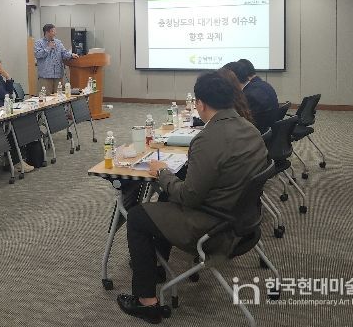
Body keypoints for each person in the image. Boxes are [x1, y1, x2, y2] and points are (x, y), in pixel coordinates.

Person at [117, 72, 269, 323]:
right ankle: (157, 267)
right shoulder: (250, 129)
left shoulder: (207, 139)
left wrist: (162, 173)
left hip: (213, 226)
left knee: (137, 216)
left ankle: (146, 302)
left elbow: (189, 197)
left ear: (200, 103)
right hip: (242, 218)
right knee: (163, 203)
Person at [223, 60, 279, 134]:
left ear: (233, 79)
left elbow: (242, 126)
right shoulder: (258, 86)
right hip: (267, 131)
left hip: (256, 135)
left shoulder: (249, 96)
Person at [34, 24, 78, 94]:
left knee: (59, 97)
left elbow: (63, 53)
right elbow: (38, 55)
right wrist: (48, 48)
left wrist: (71, 55)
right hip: (46, 76)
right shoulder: (39, 43)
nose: (55, 33)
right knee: (46, 97)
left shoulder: (58, 42)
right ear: (47, 32)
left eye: (55, 31)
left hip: (58, 75)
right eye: (53, 31)